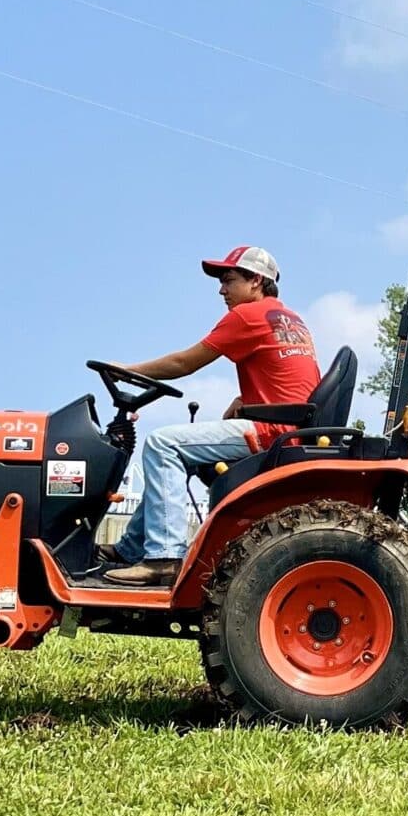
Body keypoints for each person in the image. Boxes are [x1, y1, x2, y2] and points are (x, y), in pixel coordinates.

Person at [95, 244, 318, 585]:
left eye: (229, 280)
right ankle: (130, 548)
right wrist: (246, 397)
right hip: (287, 422)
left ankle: (165, 557)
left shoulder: (247, 316)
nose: (221, 289)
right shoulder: (288, 318)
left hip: (271, 430)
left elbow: (185, 363)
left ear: (256, 280)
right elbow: (291, 376)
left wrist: (126, 370)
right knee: (173, 455)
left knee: (162, 444)